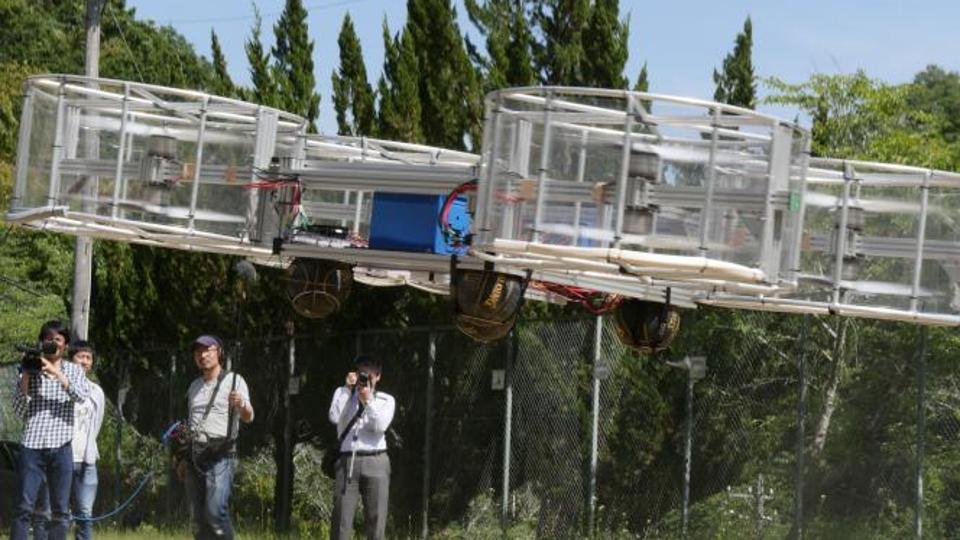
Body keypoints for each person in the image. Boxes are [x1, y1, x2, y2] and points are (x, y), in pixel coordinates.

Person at [11, 321, 90, 540]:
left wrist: (56, 372)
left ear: (64, 346)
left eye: (57, 339)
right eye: (47, 338)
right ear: (41, 341)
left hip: (61, 448)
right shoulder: (30, 368)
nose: (52, 343)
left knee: (60, 511)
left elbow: (81, 396)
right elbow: (19, 410)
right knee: (24, 507)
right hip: (32, 448)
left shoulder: (73, 370)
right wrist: (26, 375)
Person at [181, 334, 253, 540]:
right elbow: (190, 424)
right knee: (197, 519)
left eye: (207, 350)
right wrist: (182, 458)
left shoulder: (234, 381)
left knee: (214, 512)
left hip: (221, 454)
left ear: (219, 352)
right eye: (198, 352)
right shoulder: (194, 386)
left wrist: (240, 404)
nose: (202, 355)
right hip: (195, 455)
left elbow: (249, 416)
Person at [328, 355, 395, 540]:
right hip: (347, 461)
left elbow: (380, 425)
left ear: (378, 376)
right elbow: (334, 417)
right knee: (341, 521)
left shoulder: (385, 400)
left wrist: (368, 400)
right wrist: (347, 389)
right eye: (361, 369)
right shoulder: (343, 394)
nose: (364, 374)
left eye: (369, 370)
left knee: (376, 522)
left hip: (376, 461)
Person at [68, 341, 105, 540]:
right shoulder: (61, 384)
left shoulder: (96, 391)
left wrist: (90, 447)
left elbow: (97, 422)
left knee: (84, 513)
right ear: (71, 359)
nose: (84, 361)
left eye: (88, 358)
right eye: (80, 356)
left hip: (87, 460)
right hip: (63, 457)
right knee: (58, 513)